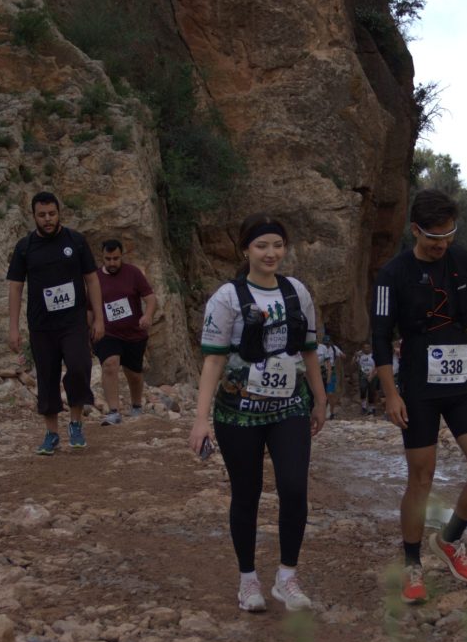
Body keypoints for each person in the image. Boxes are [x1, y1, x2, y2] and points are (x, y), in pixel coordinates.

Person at [371, 188, 467, 604]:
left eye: (449, 235)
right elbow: (380, 338)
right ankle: (412, 565)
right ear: (416, 230)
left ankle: (449, 539)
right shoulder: (392, 274)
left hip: (461, 382)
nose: (442, 245)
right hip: (418, 387)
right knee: (421, 477)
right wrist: (391, 394)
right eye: (434, 238)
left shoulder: (462, 260)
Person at [189, 213, 327, 613]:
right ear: (246, 250)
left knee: (294, 488)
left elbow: (309, 350)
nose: (271, 253)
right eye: (262, 245)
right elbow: (214, 360)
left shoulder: (297, 292)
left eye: (277, 245)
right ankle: (248, 580)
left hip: (290, 407)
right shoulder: (227, 298)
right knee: (246, 493)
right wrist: (200, 419)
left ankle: (287, 577)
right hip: (239, 412)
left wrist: (319, 399)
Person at [7, 191, 104, 454]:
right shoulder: (25, 247)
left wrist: (98, 318)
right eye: (42, 215)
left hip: (73, 321)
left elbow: (92, 279)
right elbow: (15, 287)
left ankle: (76, 423)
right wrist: (13, 328)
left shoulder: (76, 241)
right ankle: (51, 434)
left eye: (52, 214)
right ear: (33, 216)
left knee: (79, 366)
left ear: (59, 213)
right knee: (47, 377)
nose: (48, 219)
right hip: (41, 324)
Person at [93, 239, 156, 425]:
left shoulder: (133, 273)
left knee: (134, 374)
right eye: (108, 259)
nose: (112, 263)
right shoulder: (95, 278)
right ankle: (113, 412)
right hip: (107, 332)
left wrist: (147, 315)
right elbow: (89, 307)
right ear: (102, 257)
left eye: (116, 258)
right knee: (110, 365)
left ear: (122, 256)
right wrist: (89, 329)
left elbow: (150, 298)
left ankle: (136, 406)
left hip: (133, 333)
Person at [354, 342, 379, 415]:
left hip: (373, 373)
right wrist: (355, 356)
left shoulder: (374, 355)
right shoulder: (360, 355)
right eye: (365, 347)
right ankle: (363, 407)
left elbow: (377, 366)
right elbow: (352, 364)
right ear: (362, 348)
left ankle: (371, 408)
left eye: (368, 347)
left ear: (370, 348)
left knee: (372, 391)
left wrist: (372, 375)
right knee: (363, 389)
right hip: (363, 374)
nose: (366, 349)